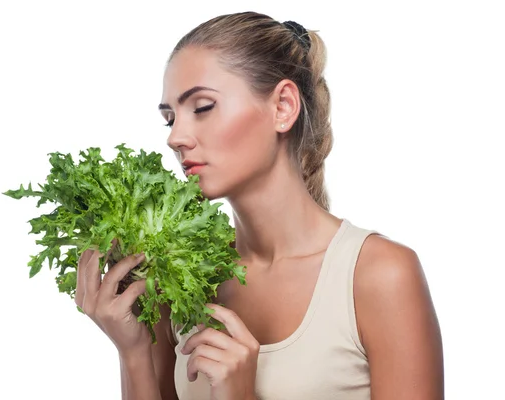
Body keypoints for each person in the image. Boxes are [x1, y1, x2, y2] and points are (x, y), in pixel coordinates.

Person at [74, 11, 444, 400]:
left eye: (202, 107)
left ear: (283, 106)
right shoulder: (184, 283)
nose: (177, 138)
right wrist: (133, 351)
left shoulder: (378, 276)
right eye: (169, 119)